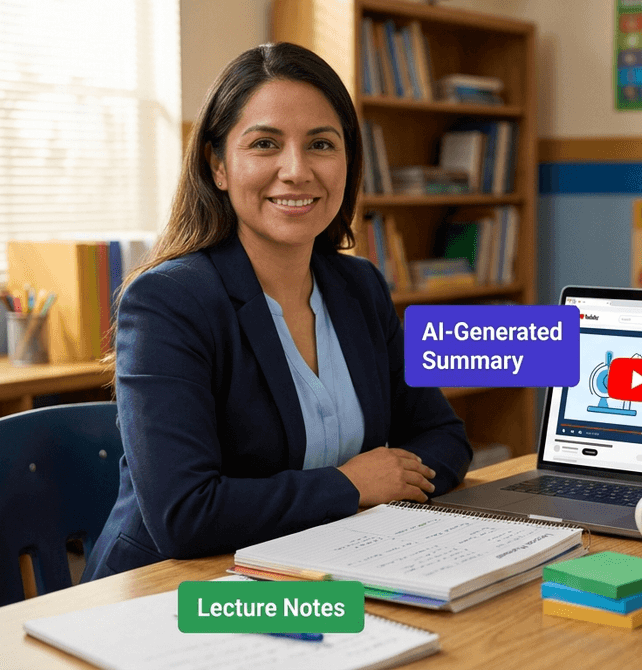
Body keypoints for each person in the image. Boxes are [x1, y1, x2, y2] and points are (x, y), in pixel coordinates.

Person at [84, 43, 472, 580]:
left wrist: (386, 481)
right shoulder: (166, 302)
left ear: (347, 163)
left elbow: (444, 438)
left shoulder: (360, 286)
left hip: (323, 568)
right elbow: (185, 516)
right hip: (173, 592)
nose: (296, 170)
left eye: (321, 144)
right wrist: (352, 486)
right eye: (265, 144)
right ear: (218, 165)